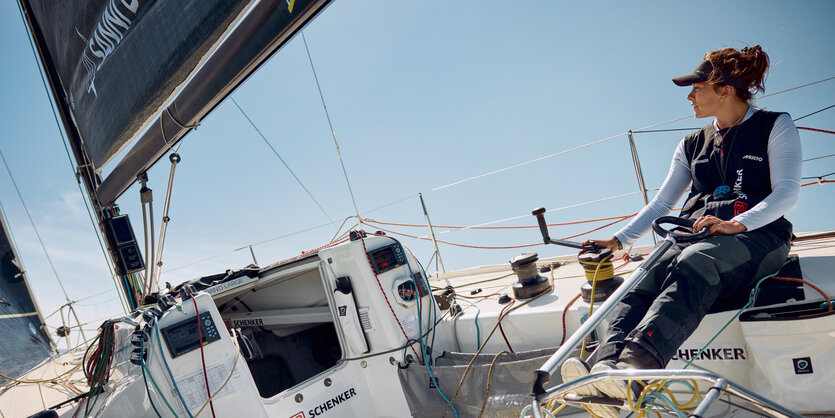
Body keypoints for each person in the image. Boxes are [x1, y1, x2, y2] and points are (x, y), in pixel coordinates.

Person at [560, 45, 801, 417]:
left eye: (696, 87)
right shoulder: (691, 144)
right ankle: (603, 371)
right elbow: (660, 205)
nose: (689, 96)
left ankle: (635, 371)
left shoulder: (774, 125)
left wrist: (737, 223)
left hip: (760, 237)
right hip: (696, 234)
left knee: (695, 261)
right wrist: (619, 240)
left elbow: (786, 192)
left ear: (724, 90)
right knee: (641, 277)